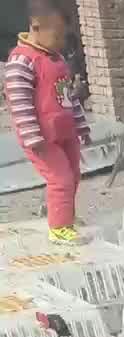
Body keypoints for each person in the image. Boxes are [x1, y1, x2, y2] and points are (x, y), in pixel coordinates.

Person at [4, 3, 91, 243]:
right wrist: (32, 136)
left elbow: (69, 98)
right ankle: (59, 227)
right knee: (60, 178)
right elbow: (19, 102)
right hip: (41, 138)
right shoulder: (21, 61)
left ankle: (65, 217)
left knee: (73, 175)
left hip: (65, 131)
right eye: (58, 35)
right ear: (36, 27)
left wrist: (81, 126)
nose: (62, 41)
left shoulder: (57, 58)